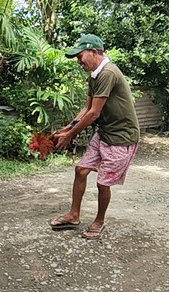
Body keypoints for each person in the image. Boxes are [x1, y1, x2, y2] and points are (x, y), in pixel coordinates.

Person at [49, 34, 140, 239]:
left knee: (103, 182)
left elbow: (94, 114)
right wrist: (67, 128)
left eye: (80, 56)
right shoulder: (95, 75)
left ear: (94, 52)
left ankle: (99, 221)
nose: (78, 61)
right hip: (105, 132)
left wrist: (70, 135)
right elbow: (86, 108)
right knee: (81, 170)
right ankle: (73, 215)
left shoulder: (108, 73)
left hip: (121, 137)